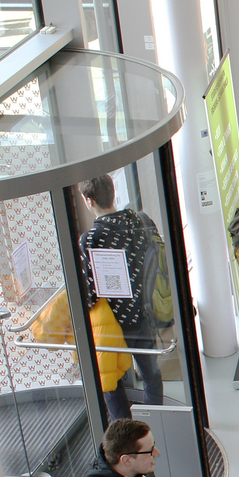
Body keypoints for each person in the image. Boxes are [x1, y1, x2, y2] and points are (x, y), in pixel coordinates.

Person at [77, 177, 165, 422]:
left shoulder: (91, 239)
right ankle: (154, 424)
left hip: (112, 324)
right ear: (113, 193)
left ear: (89, 200)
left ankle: (124, 431)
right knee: (150, 373)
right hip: (144, 313)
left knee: (111, 380)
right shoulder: (140, 221)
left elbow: (90, 291)